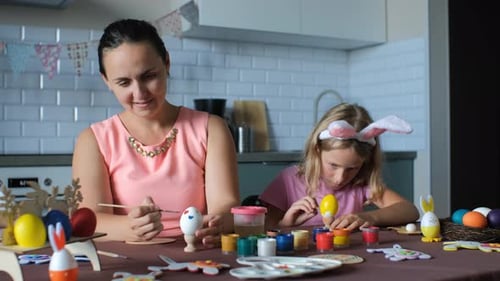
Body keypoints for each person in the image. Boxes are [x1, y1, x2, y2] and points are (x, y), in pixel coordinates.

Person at [72, 19, 240, 247]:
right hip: (126, 265)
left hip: (198, 256)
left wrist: (219, 222)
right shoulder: (92, 140)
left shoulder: (212, 129)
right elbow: (88, 219)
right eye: (123, 82)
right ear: (107, 81)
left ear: (167, 63)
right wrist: (129, 227)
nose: (139, 93)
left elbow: (226, 203)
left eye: (149, 76)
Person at [259, 103, 419, 231]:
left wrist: (369, 217)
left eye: (352, 168)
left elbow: (410, 211)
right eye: (333, 165)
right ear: (317, 150)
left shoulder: (361, 184)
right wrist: (285, 224)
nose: (340, 178)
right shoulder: (289, 181)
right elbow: (263, 230)